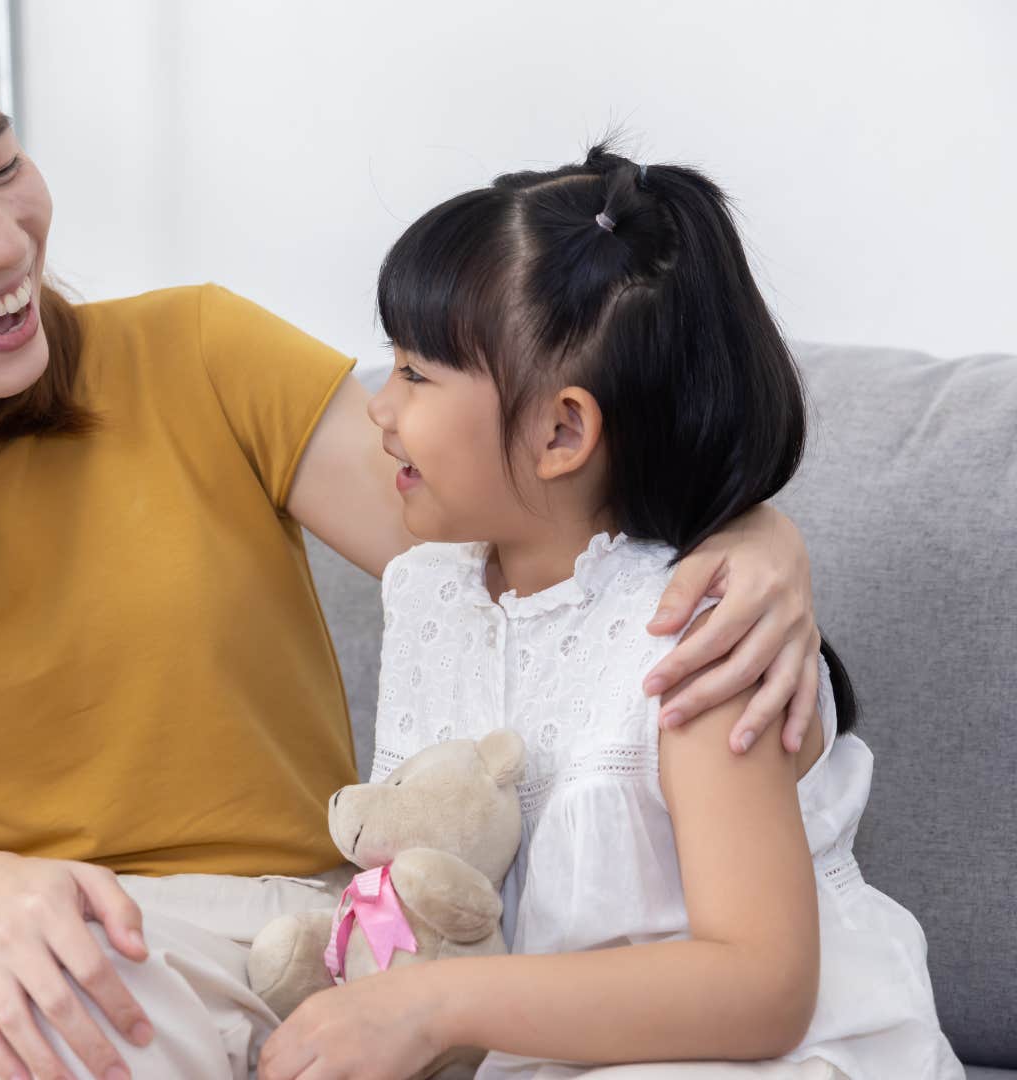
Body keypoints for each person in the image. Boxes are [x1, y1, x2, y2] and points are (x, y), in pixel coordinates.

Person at [0, 4, 827, 1077]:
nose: (5, 240)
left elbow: (535, 520)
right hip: (1, 942)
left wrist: (759, 536)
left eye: (4, 167)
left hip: (273, 937)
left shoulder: (196, 358)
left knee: (59, 1021)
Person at [257, 147, 961, 1080]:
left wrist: (432, 1006)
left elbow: (762, 991)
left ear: (561, 432)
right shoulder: (434, 589)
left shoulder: (698, 643)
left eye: (415, 376)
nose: (379, 410)